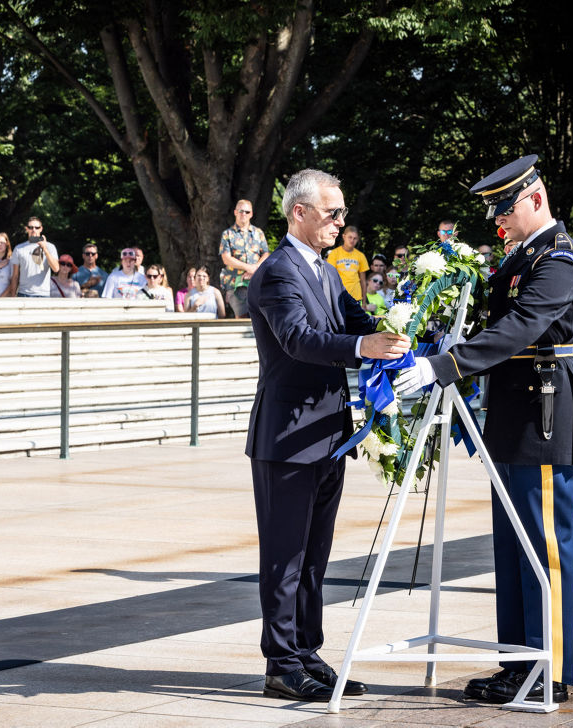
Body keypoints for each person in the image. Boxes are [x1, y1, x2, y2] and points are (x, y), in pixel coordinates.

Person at [398, 155, 573, 705]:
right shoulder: (523, 258)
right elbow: (492, 320)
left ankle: (549, 669)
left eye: (504, 209)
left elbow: (521, 327)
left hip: (543, 416)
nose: (497, 221)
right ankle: (518, 663)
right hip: (511, 415)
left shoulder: (558, 259)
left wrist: (444, 367)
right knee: (511, 549)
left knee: (544, 548)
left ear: (535, 198)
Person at [246, 168, 405, 703]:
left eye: (341, 212)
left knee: (315, 554)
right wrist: (365, 350)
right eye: (332, 211)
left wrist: (404, 326)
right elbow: (298, 339)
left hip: (328, 433)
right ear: (299, 211)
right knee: (284, 554)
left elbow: (358, 320)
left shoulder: (326, 271)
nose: (341, 221)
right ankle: (280, 662)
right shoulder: (277, 272)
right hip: (288, 435)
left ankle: (307, 652)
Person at [220, 199, 271, 318]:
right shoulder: (227, 234)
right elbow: (226, 258)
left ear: (251, 214)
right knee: (242, 318)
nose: (244, 214)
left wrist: (255, 268)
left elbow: (266, 254)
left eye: (247, 212)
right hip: (236, 283)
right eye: (241, 211)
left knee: (261, 318)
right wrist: (248, 268)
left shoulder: (258, 233)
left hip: (256, 281)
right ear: (235, 212)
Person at [6, 217, 60, 297]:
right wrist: (13, 295)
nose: (34, 229)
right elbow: (15, 275)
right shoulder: (19, 248)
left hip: (43, 294)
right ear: (26, 229)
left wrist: (45, 249)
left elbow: (56, 268)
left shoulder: (50, 247)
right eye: (31, 227)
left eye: (37, 227)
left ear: (41, 229)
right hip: (23, 293)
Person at [325, 225, 369, 300]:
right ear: (344, 236)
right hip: (339, 295)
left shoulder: (360, 256)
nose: (352, 240)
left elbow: (363, 281)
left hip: (356, 296)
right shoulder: (334, 254)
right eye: (350, 237)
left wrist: (364, 300)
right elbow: (330, 277)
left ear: (358, 239)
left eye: (355, 238)